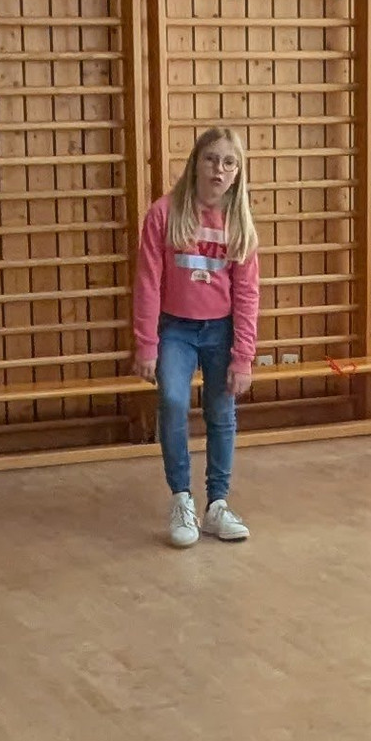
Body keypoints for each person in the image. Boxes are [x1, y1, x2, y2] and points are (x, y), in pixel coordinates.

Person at [129, 126, 262, 548]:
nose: (218, 170)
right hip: (176, 329)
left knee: (221, 413)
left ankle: (217, 504)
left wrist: (243, 356)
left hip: (220, 330)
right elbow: (148, 282)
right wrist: (146, 343)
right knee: (171, 401)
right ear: (196, 163)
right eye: (211, 159)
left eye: (228, 162)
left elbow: (247, 293)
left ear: (237, 172)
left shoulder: (238, 223)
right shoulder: (163, 214)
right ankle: (182, 498)